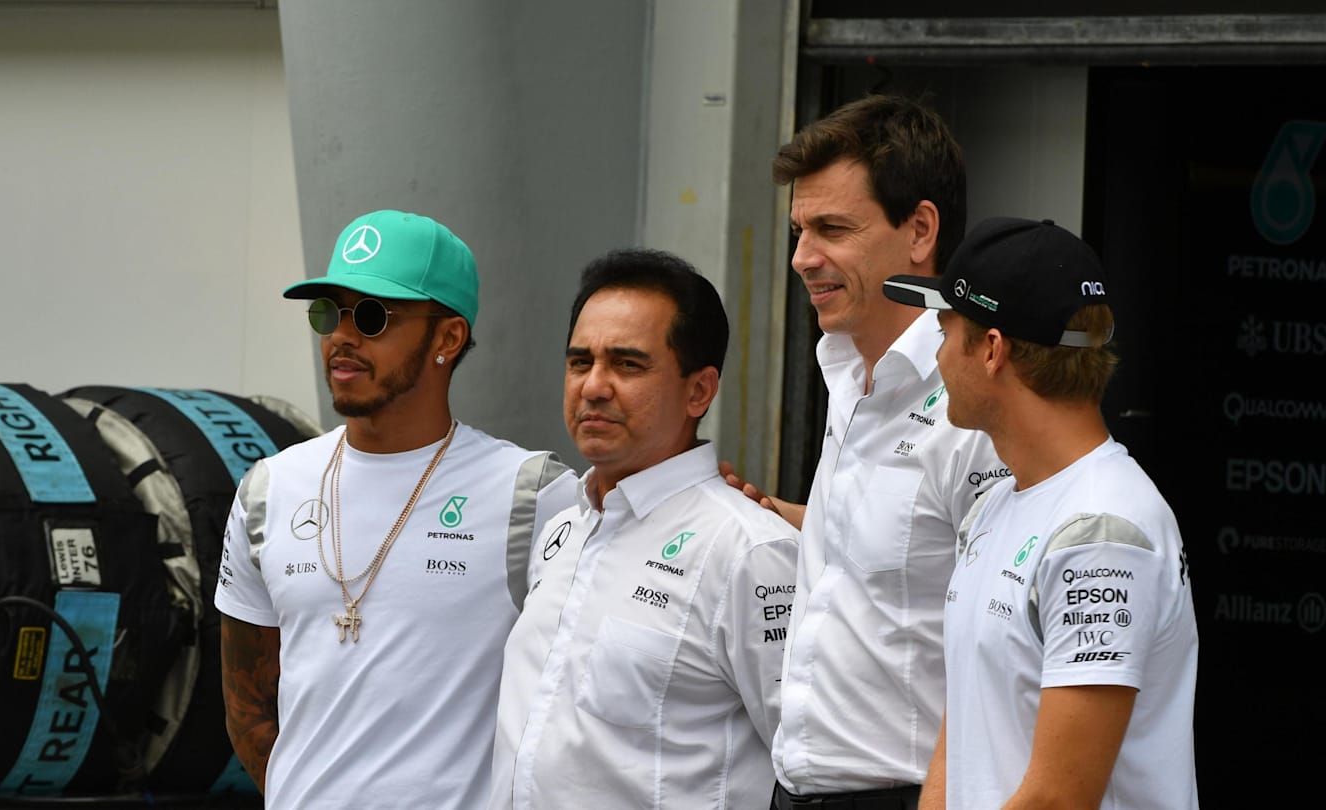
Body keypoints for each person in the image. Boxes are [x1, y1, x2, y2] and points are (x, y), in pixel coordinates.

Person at [215, 209, 579, 809]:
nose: (342, 337)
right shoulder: (268, 489)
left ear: (448, 338)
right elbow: (247, 704)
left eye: (374, 316)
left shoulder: (533, 494)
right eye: (328, 313)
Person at [721, 94, 1006, 809]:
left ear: (920, 230)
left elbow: (1008, 642)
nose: (801, 258)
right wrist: (792, 521)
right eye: (797, 230)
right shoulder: (847, 368)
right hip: (799, 787)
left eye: (832, 229)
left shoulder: (976, 399)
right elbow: (906, 560)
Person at [882, 217, 1199, 809]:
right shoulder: (993, 507)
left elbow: (1058, 798)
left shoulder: (1104, 532)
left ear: (993, 350)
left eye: (946, 329)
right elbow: (963, 739)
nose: (938, 352)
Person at [489, 248, 799, 809]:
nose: (594, 386)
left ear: (699, 390)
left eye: (628, 364)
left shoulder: (751, 550)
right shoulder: (563, 530)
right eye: (580, 361)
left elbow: (813, 765)